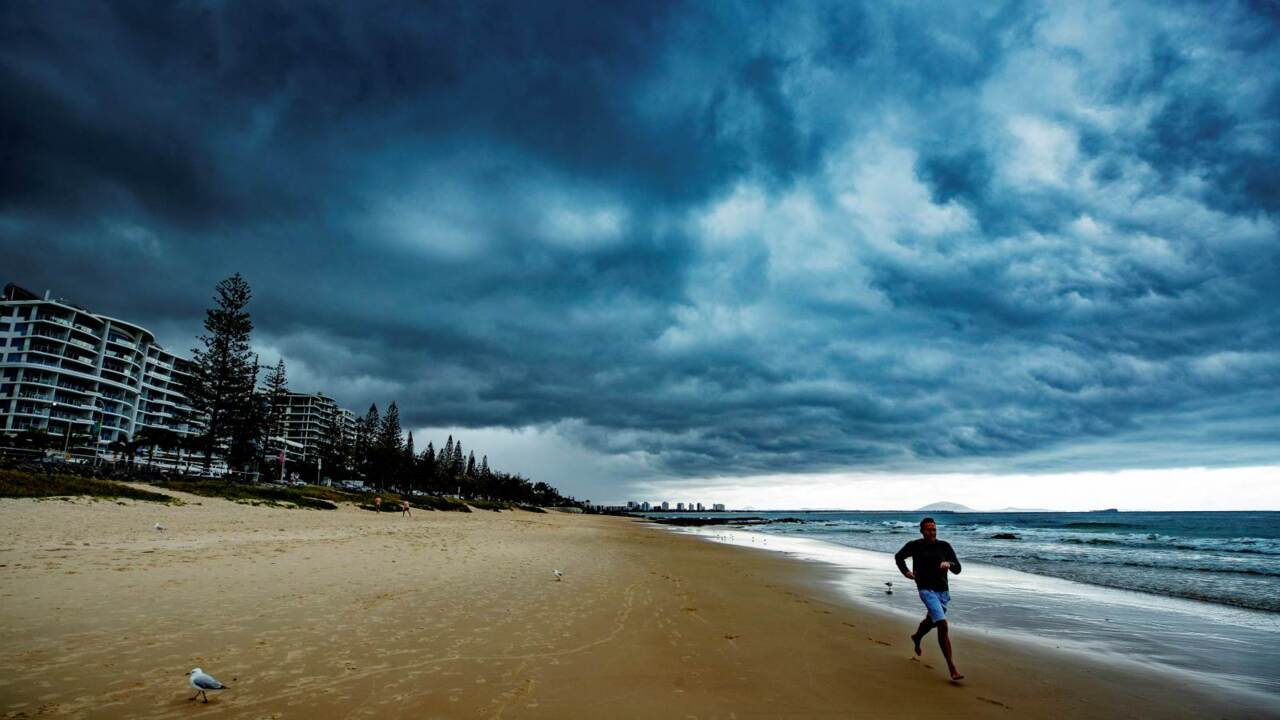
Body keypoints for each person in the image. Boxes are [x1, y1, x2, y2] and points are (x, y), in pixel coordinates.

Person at [894, 517, 964, 681]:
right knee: (942, 624)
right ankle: (952, 667)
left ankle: (917, 637)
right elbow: (899, 557)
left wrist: (949, 564)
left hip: (943, 591)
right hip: (925, 589)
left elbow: (958, 568)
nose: (931, 532)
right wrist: (906, 572)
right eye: (927, 529)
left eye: (933, 529)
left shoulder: (944, 546)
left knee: (931, 620)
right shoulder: (915, 545)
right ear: (921, 531)